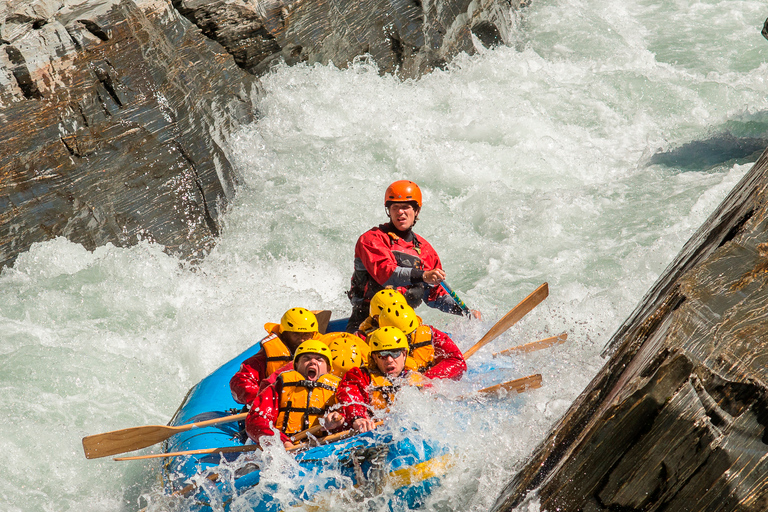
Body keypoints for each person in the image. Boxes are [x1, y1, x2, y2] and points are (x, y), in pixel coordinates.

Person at [346, 180, 469, 333]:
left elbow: (435, 295)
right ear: (389, 211)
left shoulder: (425, 251)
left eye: (406, 207)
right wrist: (423, 275)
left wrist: (466, 312)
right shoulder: (372, 239)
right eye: (395, 207)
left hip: (404, 326)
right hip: (366, 322)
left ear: (416, 211)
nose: (400, 212)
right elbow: (387, 273)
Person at [245, 340, 342, 448]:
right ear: (296, 365)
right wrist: (281, 441)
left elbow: (350, 413)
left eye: (319, 360)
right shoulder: (279, 387)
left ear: (328, 368)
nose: (313, 362)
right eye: (306, 358)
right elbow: (256, 420)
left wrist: (339, 419)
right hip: (286, 449)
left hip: (326, 449)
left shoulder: (339, 390)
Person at [334, 326, 427, 432]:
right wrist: (357, 418)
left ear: (404, 354)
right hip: (375, 436)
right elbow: (350, 395)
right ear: (374, 357)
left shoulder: (417, 378)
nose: (389, 360)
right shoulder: (360, 376)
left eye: (395, 353)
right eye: (382, 355)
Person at [230, 307, 319, 406]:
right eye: (296, 334)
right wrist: (264, 399)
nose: (302, 340)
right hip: (275, 406)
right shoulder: (266, 356)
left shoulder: (323, 352)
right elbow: (241, 381)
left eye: (307, 334)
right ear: (285, 334)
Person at [378, 303, 467, 381]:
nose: (405, 340)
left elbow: (458, 362)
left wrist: (426, 379)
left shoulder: (431, 335)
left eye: (408, 335)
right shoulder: (376, 344)